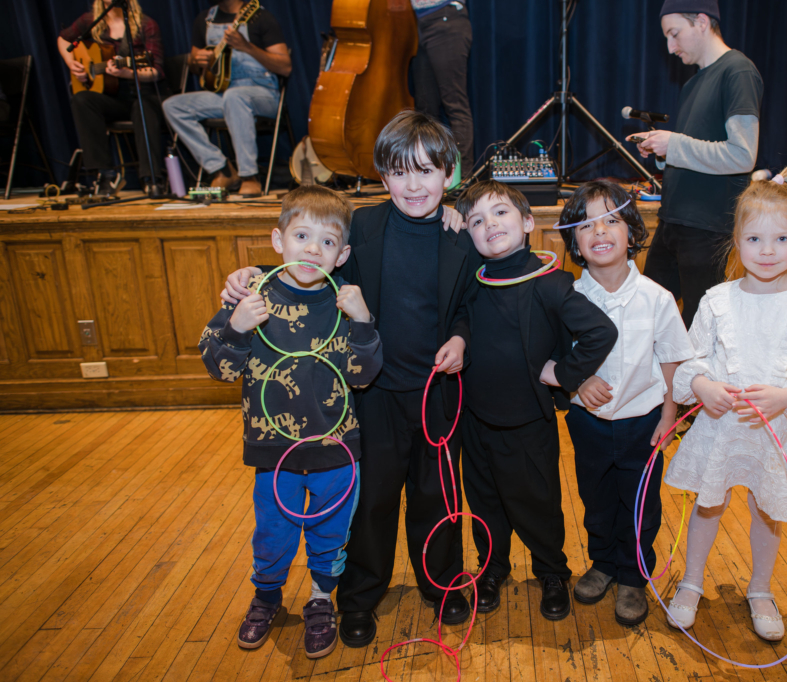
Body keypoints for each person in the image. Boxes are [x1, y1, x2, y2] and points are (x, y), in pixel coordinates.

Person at [220, 111, 479, 648]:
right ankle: (359, 597)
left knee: (439, 497)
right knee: (372, 501)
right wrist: (248, 276)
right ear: (383, 176)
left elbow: (471, 305)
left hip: (437, 393)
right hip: (370, 392)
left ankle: (442, 584)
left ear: (448, 176)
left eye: (428, 172)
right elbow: (304, 264)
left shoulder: (462, 234)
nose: (414, 184)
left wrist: (461, 337)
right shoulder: (360, 227)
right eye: (401, 172)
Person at [662, 166, 787, 641]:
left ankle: (760, 589)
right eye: (755, 239)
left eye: (781, 239)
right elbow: (689, 359)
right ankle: (690, 581)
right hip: (720, 427)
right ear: (737, 241)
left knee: (769, 509)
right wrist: (701, 386)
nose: (767, 251)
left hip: (775, 432)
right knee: (709, 504)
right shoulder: (717, 300)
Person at [198, 185, 382, 659]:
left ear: (341, 255)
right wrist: (237, 327)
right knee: (273, 535)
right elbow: (220, 368)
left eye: (326, 242)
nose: (311, 249)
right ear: (278, 240)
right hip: (273, 451)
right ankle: (266, 597)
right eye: (301, 235)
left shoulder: (346, 303)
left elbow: (364, 377)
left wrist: (363, 323)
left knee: (329, 533)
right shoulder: (250, 293)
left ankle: (322, 598)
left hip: (335, 451)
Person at [454, 180, 617, 619]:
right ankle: (491, 570)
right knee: (485, 504)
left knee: (538, 505)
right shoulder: (470, 282)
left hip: (528, 424)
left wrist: (564, 374)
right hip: (476, 420)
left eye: (501, 213)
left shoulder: (551, 285)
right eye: (477, 220)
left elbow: (601, 332)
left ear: (527, 222)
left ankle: (551, 571)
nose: (490, 224)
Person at [558, 181, 693, 626]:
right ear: (574, 241)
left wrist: (670, 415)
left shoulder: (656, 298)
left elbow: (672, 359)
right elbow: (558, 355)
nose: (600, 231)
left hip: (644, 422)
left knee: (640, 503)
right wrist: (580, 382)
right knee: (595, 498)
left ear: (631, 231)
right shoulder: (568, 298)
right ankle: (603, 562)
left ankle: (634, 576)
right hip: (589, 422)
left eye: (611, 220)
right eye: (587, 225)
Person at [631, 0, 763, 329]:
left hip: (706, 227)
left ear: (702, 22)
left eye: (674, 34)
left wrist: (673, 144)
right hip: (673, 221)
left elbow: (742, 155)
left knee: (697, 329)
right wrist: (663, 152)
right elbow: (700, 149)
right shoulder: (692, 83)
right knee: (646, 318)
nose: (670, 46)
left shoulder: (738, 71)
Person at [162, 0, 291, 197]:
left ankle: (250, 176)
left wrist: (247, 47)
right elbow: (196, 65)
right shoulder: (204, 20)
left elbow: (285, 66)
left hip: (263, 94)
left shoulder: (260, 17)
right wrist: (197, 61)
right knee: (173, 105)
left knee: (235, 97)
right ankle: (221, 168)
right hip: (224, 93)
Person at [57, 0, 167, 197]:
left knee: (143, 107)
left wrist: (127, 73)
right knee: (81, 99)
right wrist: (72, 63)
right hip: (111, 97)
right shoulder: (91, 20)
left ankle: (151, 178)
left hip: (141, 93)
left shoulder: (145, 24)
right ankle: (104, 175)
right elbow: (64, 40)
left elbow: (156, 71)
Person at [410, 0, 474, 164]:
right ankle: (427, 170)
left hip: (445, 19)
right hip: (419, 23)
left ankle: (462, 179)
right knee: (425, 110)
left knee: (455, 105)